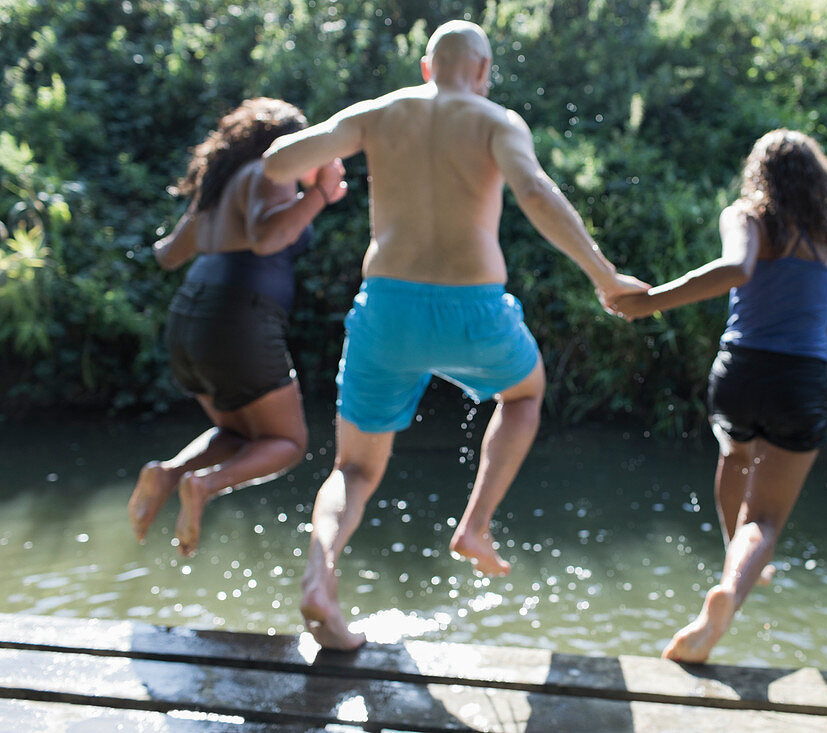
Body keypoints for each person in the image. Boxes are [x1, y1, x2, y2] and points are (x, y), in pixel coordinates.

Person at [262, 20, 647, 650]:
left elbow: (278, 162)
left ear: (425, 67)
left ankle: (318, 577)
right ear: (483, 69)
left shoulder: (380, 113)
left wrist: (328, 155)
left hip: (387, 308)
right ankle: (475, 525)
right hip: (475, 311)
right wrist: (604, 276)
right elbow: (535, 191)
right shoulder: (497, 121)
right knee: (523, 397)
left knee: (355, 469)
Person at [612, 129, 827, 663]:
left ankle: (735, 565)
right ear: (817, 179)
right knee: (764, 522)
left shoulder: (746, 215)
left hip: (740, 371)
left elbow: (738, 269)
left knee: (736, 453)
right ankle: (730, 591)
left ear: (758, 172)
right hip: (801, 378)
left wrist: (649, 302)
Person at [128, 97, 347, 556]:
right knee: (287, 441)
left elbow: (167, 255)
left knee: (246, 437)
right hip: (238, 318)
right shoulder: (271, 172)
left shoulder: (218, 187)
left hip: (190, 318)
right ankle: (204, 486)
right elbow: (268, 238)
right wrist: (320, 196)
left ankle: (169, 474)